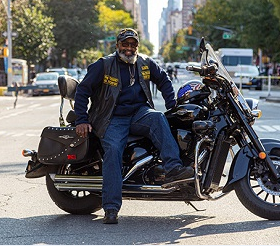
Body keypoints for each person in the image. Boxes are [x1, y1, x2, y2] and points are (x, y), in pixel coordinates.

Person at [74, 28, 194, 224]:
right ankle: (111, 208)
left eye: (133, 45)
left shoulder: (145, 63)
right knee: (113, 150)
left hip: (139, 113)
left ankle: (173, 169)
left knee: (158, 118)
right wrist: (81, 119)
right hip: (111, 117)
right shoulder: (103, 65)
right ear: (117, 45)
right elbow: (82, 90)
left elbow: (164, 80)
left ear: (137, 46)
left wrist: (172, 106)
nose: (129, 48)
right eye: (125, 44)